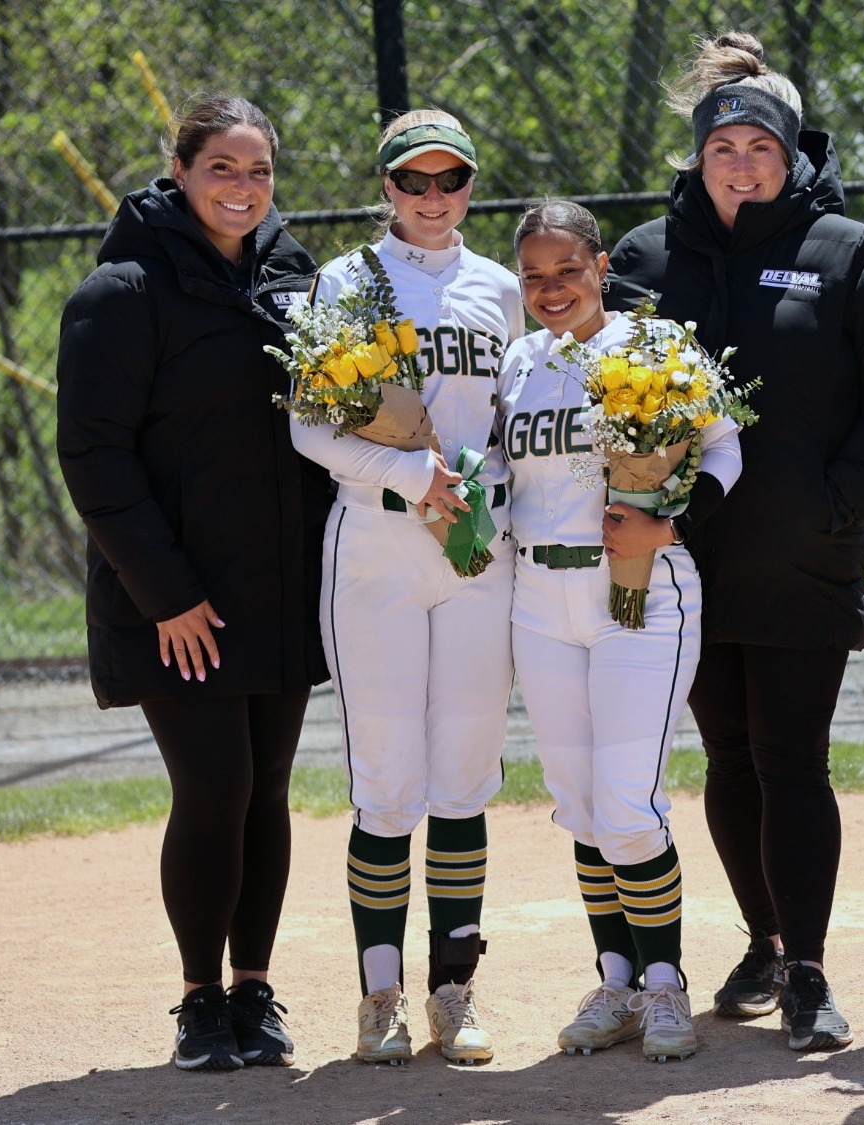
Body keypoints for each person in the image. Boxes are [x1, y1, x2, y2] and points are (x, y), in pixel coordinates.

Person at [606, 32, 864, 1053]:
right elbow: (599, 394)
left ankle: (810, 973)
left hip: (800, 559)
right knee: (728, 760)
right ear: (696, 159)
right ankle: (763, 939)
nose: (741, 165)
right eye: (721, 149)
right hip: (682, 568)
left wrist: (841, 501)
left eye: (760, 147)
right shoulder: (647, 261)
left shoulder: (849, 254)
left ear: (792, 154)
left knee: (792, 761)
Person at [54, 94, 328, 1071]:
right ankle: (199, 1000)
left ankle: (254, 992)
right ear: (180, 173)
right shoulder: (121, 293)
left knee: (264, 793)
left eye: (258, 171)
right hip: (174, 602)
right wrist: (162, 592)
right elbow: (92, 455)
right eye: (223, 168)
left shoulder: (296, 281)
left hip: (279, 588)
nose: (243, 188)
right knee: (213, 787)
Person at [289, 109, 521, 1066]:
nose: (432, 198)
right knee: (387, 786)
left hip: (474, 553)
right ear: (385, 186)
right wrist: (407, 476)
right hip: (379, 554)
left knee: (463, 778)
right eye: (412, 181)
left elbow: (514, 420)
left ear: (471, 185)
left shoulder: (501, 288)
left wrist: (478, 488)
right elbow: (310, 428)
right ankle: (379, 995)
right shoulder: (345, 282)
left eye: (450, 180)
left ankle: (452, 990)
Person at [499, 200, 744, 1062]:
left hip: (640, 593)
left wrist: (672, 527)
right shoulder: (520, 360)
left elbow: (723, 450)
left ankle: (666, 984)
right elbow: (502, 465)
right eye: (533, 275)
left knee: (628, 806)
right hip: (539, 597)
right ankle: (617, 981)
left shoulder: (654, 347)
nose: (551, 288)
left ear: (602, 267)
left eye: (568, 270)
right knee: (581, 806)